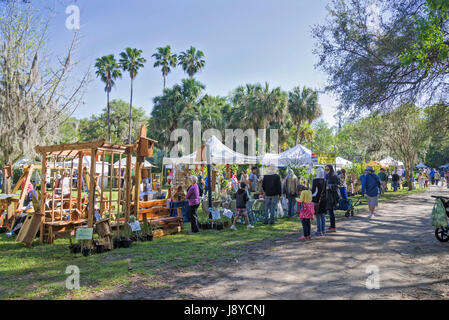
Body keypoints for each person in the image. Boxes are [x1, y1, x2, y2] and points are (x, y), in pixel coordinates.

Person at [311, 167, 327, 236]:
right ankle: (323, 230)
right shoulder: (325, 180)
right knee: (323, 215)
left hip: (316, 200)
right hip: (324, 199)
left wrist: (311, 198)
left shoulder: (315, 181)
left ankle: (319, 230)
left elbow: (314, 192)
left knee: (318, 215)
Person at [324, 165, 340, 233]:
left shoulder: (334, 176)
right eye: (325, 170)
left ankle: (333, 227)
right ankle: (332, 225)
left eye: (328, 169)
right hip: (328, 195)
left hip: (333, 196)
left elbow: (338, 185)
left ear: (331, 169)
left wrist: (329, 187)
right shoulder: (327, 176)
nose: (326, 171)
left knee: (331, 211)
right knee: (330, 211)